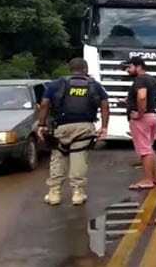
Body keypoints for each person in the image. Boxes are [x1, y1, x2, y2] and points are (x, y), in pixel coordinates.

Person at [37, 58, 109, 206]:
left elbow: (44, 104)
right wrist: (104, 126)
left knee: (58, 157)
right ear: (86, 69)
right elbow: (105, 106)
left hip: (61, 127)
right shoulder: (94, 85)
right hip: (84, 127)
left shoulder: (57, 84)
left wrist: (42, 124)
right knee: (79, 159)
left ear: (70, 69)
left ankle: (54, 193)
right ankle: (78, 193)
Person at [122, 56, 156, 190]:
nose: (127, 70)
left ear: (138, 67)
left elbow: (142, 96)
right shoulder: (150, 78)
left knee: (144, 150)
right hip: (152, 116)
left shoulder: (140, 80)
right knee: (149, 148)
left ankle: (147, 180)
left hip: (142, 119)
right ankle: (155, 177)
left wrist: (139, 113)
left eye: (129, 67)